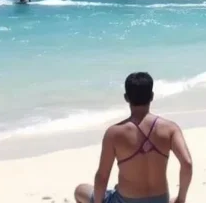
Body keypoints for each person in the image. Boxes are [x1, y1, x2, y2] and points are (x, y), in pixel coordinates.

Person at [74, 72, 193, 203]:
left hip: (126, 200)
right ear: (152, 96)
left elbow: (102, 176)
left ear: (126, 98)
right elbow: (187, 163)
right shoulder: (170, 128)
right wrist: (181, 199)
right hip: (161, 200)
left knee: (80, 190)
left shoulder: (114, 133)